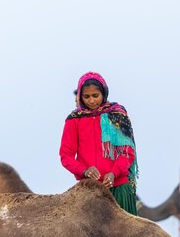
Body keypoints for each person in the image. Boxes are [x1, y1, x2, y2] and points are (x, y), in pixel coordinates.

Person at [59, 71, 139, 215]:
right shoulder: (73, 120)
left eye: (95, 95)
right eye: (86, 96)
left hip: (119, 188)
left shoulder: (117, 116)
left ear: (104, 93)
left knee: (124, 236)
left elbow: (128, 152)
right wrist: (84, 170)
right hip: (89, 191)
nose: (91, 101)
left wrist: (114, 173)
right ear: (80, 97)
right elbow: (66, 156)